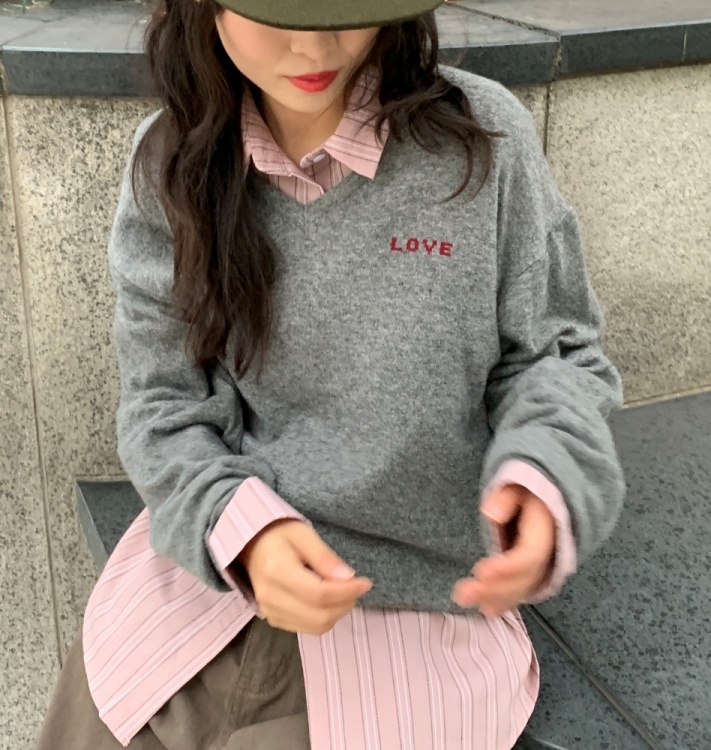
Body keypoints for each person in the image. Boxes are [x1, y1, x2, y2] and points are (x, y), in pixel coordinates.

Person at [35, 0, 626, 748]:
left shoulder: (482, 140)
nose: (315, 46)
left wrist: (546, 471)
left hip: (418, 613)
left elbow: (553, 351)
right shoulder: (171, 163)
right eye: (275, 11)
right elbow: (162, 403)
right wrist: (241, 531)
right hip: (203, 583)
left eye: (349, 4)